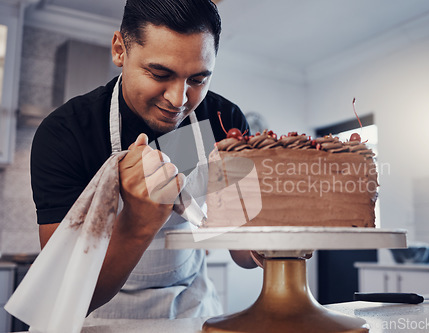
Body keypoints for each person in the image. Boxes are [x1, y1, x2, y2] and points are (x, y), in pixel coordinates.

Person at [30, 0, 259, 321]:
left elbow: (243, 250)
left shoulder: (223, 122)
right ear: (119, 50)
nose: (178, 100)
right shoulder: (67, 133)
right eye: (160, 73)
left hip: (191, 315)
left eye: (198, 79)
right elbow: (62, 293)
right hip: (97, 319)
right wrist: (138, 223)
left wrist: (281, 242)